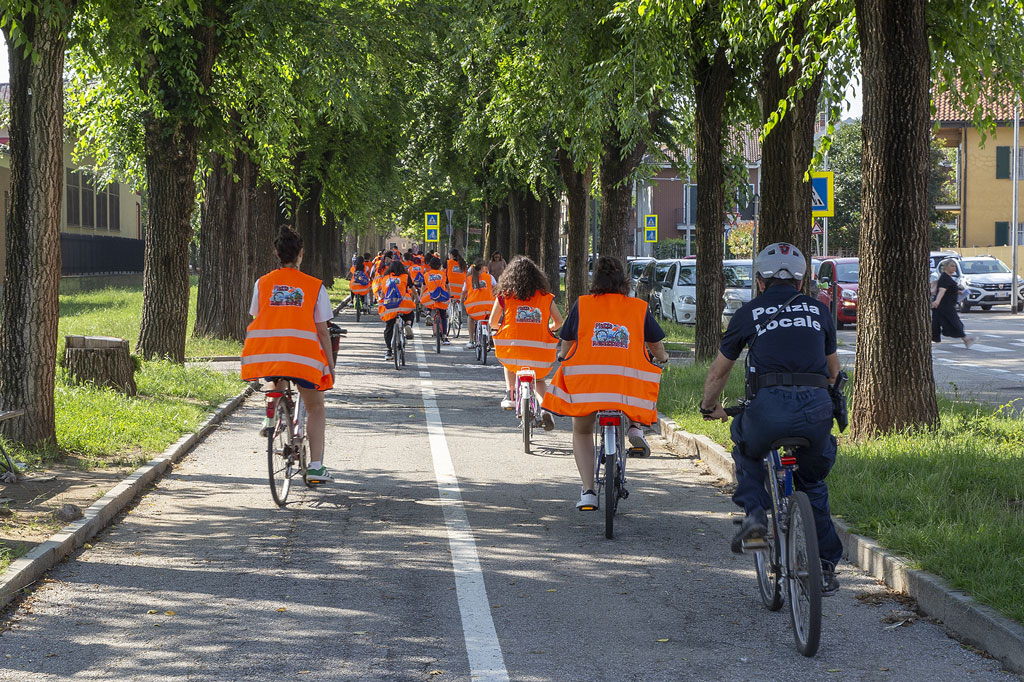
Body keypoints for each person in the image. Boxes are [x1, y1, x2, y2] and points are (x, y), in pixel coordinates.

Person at [699, 242, 843, 595]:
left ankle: (754, 518)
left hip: (767, 411)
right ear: (801, 280)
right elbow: (833, 371)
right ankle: (824, 567)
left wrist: (709, 407)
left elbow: (719, 372)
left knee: (746, 447)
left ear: (759, 281)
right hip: (815, 411)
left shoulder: (748, 313)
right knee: (812, 483)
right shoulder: (819, 312)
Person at [543, 256, 668, 510]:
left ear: (595, 280)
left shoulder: (583, 305)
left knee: (582, 430)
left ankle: (588, 491)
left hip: (589, 387)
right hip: (626, 388)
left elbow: (567, 342)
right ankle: (635, 427)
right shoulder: (638, 307)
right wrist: (662, 358)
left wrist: (563, 356)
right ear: (624, 281)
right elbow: (656, 346)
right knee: (636, 389)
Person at [241, 227, 336, 484]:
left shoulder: (263, 283)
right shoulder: (315, 287)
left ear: (276, 253)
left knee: (276, 378)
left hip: (271, 355)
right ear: (301, 254)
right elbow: (323, 331)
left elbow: (257, 317)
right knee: (316, 407)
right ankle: (316, 467)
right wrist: (329, 365)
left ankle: (271, 415)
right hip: (304, 358)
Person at [490, 256, 563, 428]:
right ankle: (546, 409)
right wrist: (549, 329)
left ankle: (510, 394)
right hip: (539, 353)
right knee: (538, 380)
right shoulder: (546, 297)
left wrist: (503, 327)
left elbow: (493, 322)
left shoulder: (505, 296)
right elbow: (558, 322)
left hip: (514, 350)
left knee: (508, 362)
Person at [932, 259, 976, 348]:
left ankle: (932, 340)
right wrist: (937, 301)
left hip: (944, 305)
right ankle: (966, 339)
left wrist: (958, 292)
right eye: (952, 266)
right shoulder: (945, 278)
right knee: (955, 322)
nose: (954, 268)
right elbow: (942, 291)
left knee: (936, 324)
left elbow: (948, 289)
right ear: (946, 267)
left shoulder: (947, 277)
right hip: (945, 306)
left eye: (955, 266)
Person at [380, 260, 416, 360]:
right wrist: (417, 299)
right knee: (410, 314)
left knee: (388, 328)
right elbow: (413, 290)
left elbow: (383, 294)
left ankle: (388, 351)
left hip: (390, 307)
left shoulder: (386, 278)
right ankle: (408, 324)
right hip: (404, 304)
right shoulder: (405, 277)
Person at [464, 258, 498, 349]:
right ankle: (489, 335)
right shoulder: (490, 277)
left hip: (474, 308)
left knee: (470, 317)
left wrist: (461, 300)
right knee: (489, 319)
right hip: (488, 307)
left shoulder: (468, 279)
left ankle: (471, 340)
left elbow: (464, 292)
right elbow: (497, 288)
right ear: (483, 268)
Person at [422, 255, 452, 344]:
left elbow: (423, 288)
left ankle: (428, 313)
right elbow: (448, 286)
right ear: (440, 266)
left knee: (429, 303)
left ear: (430, 266)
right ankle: (445, 336)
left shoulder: (427, 275)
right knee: (443, 316)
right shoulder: (443, 274)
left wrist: (420, 297)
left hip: (430, 298)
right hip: (442, 298)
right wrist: (449, 295)